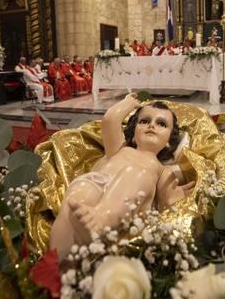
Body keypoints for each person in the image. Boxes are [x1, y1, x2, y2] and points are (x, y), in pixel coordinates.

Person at [49, 95, 194, 260]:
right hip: (98, 184)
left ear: (169, 141)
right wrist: (129, 102)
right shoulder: (119, 148)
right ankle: (58, 259)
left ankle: (103, 218)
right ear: (133, 133)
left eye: (161, 124)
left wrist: (173, 198)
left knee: (136, 173)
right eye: (144, 121)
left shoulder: (162, 170)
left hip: (126, 208)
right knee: (79, 193)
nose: (152, 125)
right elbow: (110, 119)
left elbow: (164, 202)